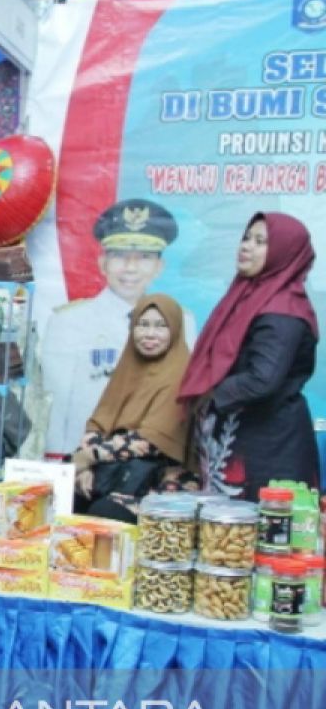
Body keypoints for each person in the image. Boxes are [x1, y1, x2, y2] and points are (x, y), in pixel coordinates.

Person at [179, 212, 319, 500]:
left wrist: (211, 396)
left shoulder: (283, 310)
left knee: (260, 540)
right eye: (246, 238)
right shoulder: (249, 296)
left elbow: (262, 380)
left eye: (260, 241)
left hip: (269, 451)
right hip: (243, 440)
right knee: (226, 541)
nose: (246, 246)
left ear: (284, 252)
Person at [43, 199, 197, 457]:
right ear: (102, 262)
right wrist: (59, 462)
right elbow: (56, 404)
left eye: (145, 257)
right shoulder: (69, 321)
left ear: (160, 266)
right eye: (120, 256)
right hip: (85, 459)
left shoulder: (182, 320)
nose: (131, 268)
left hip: (153, 459)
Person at [73, 294, 199, 522]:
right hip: (113, 472)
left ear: (176, 330)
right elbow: (99, 423)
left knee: (102, 515)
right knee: (66, 501)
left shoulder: (181, 374)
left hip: (157, 484)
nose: (150, 334)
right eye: (143, 324)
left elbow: (150, 442)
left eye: (161, 326)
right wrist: (84, 469)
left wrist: (89, 457)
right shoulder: (128, 368)